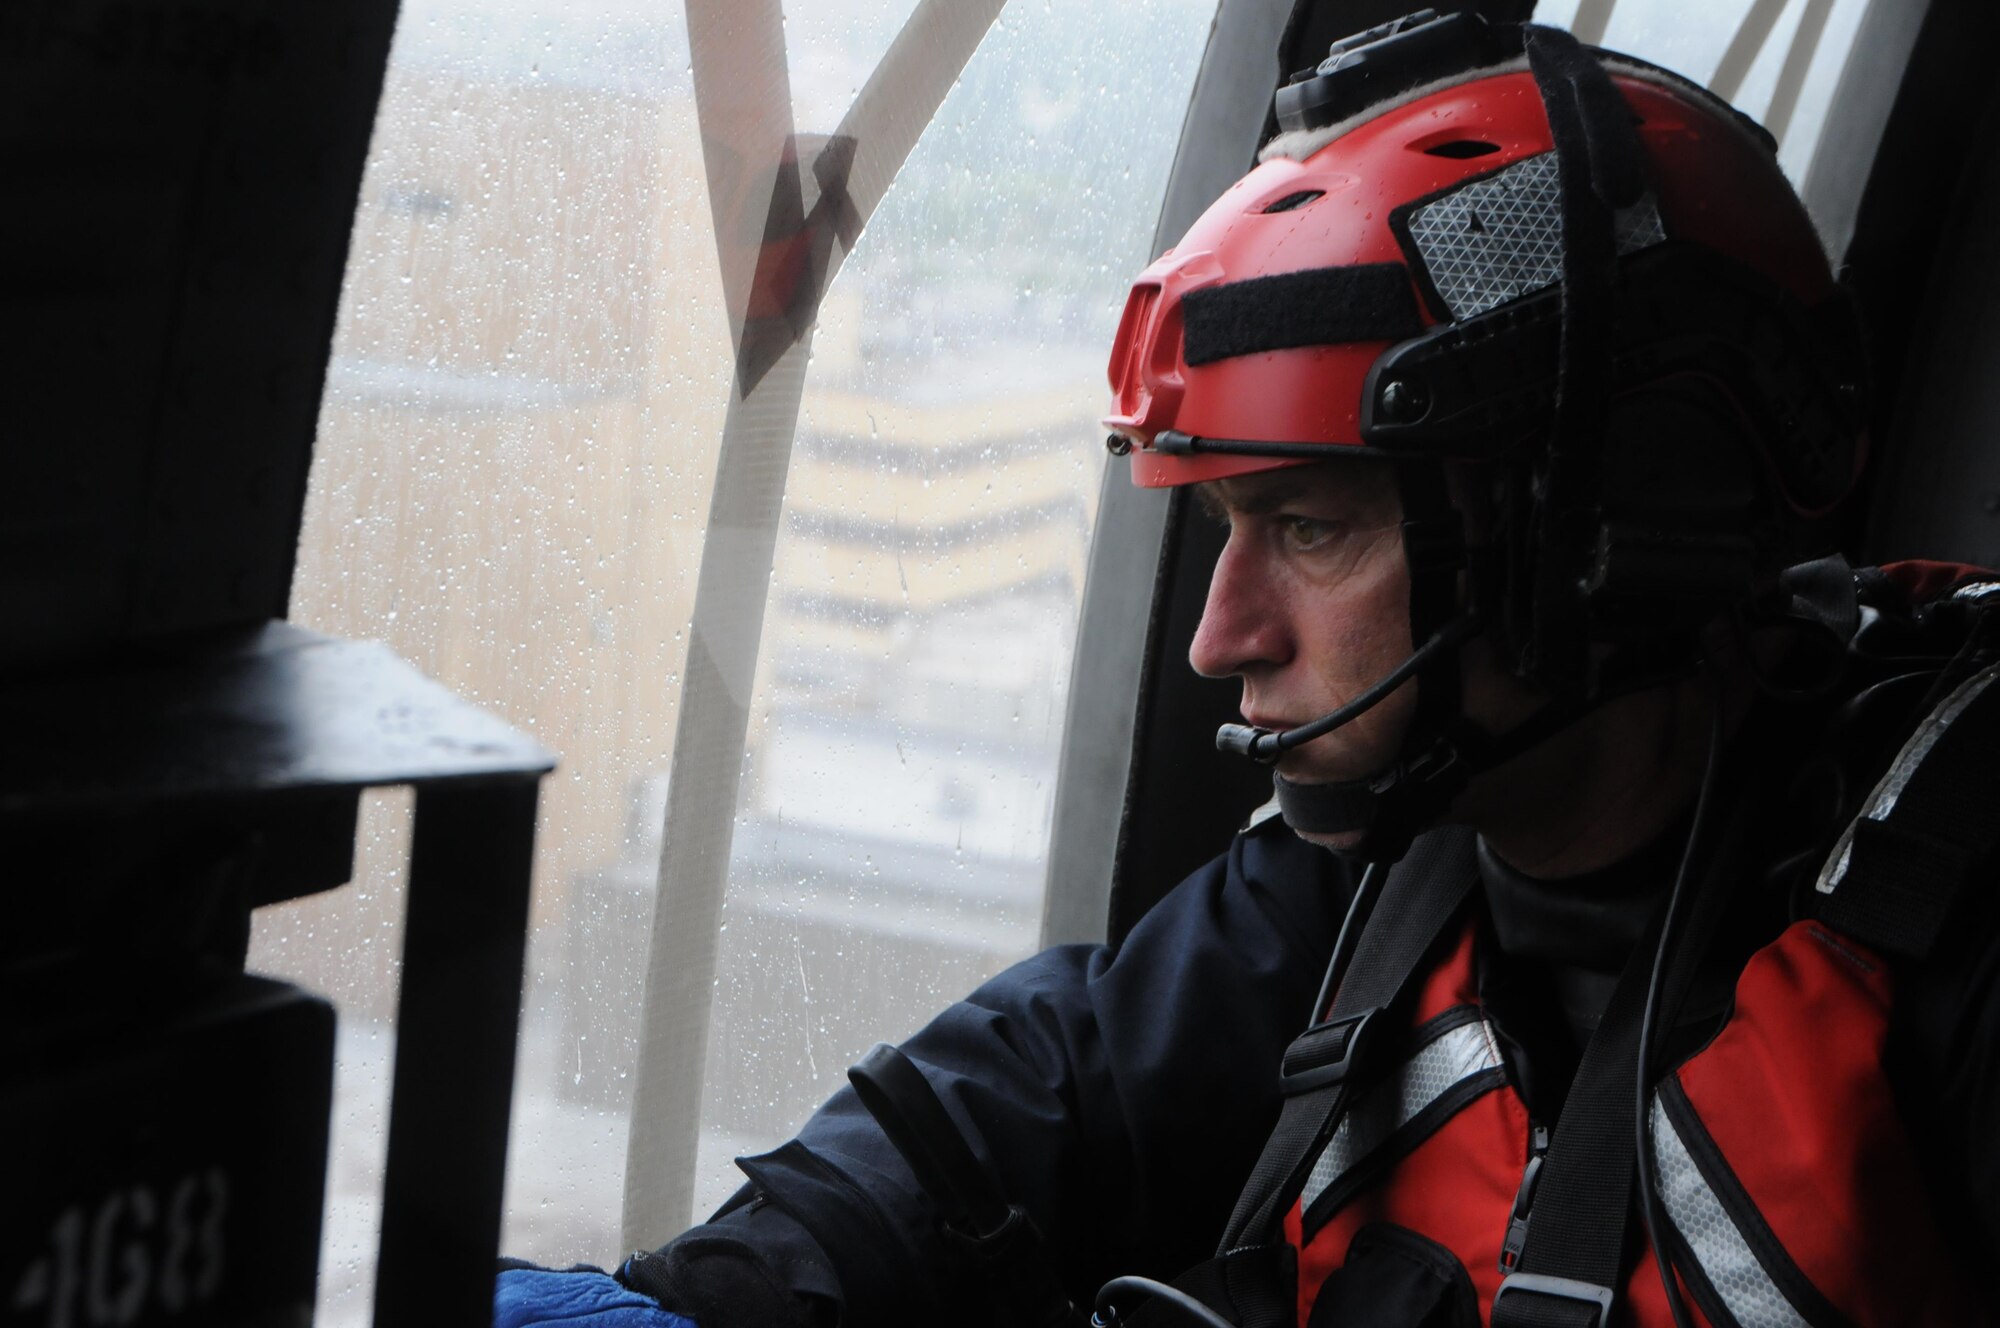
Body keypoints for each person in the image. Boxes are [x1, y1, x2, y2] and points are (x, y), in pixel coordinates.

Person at [499, 13, 2000, 1327]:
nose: (1224, 636)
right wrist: (716, 1298)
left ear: (1613, 514)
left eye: (1311, 524)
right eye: (1226, 527)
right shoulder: (1383, 877)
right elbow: (1051, 1087)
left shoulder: (1961, 935)